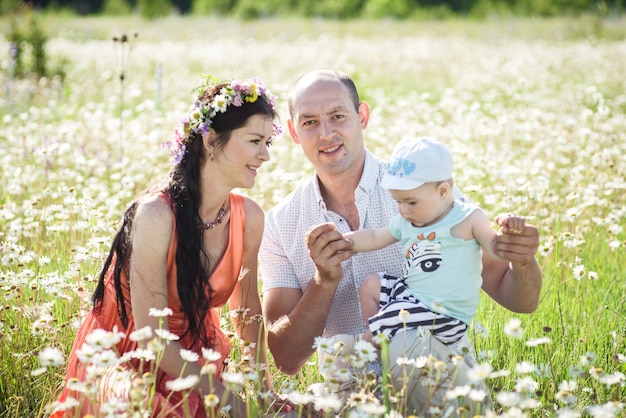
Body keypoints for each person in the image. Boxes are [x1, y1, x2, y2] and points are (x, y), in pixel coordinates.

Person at [259, 69, 542, 413]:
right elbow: (286, 359)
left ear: (362, 116)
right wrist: (324, 280)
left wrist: (522, 261)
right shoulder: (280, 223)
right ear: (293, 131)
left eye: (337, 116)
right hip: (347, 387)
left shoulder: (424, 187)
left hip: (435, 370)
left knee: (418, 366)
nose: (326, 133)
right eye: (309, 122)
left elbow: (519, 299)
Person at [51, 75, 289, 417]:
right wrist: (227, 398)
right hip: (122, 356)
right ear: (210, 140)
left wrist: (263, 394)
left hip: (191, 356)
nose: (265, 155)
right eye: (255, 141)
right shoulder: (157, 215)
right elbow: (150, 338)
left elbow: (247, 313)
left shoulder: (249, 218)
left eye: (268, 142)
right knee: (153, 410)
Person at [339, 136, 526, 363]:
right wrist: (342, 241)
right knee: (372, 285)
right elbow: (374, 237)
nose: (403, 210)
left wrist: (508, 232)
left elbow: (495, 248)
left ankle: (365, 345)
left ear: (443, 191)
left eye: (411, 202)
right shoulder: (406, 223)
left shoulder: (468, 218)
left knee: (394, 315)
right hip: (414, 300)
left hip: (445, 314)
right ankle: (382, 345)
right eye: (398, 202)